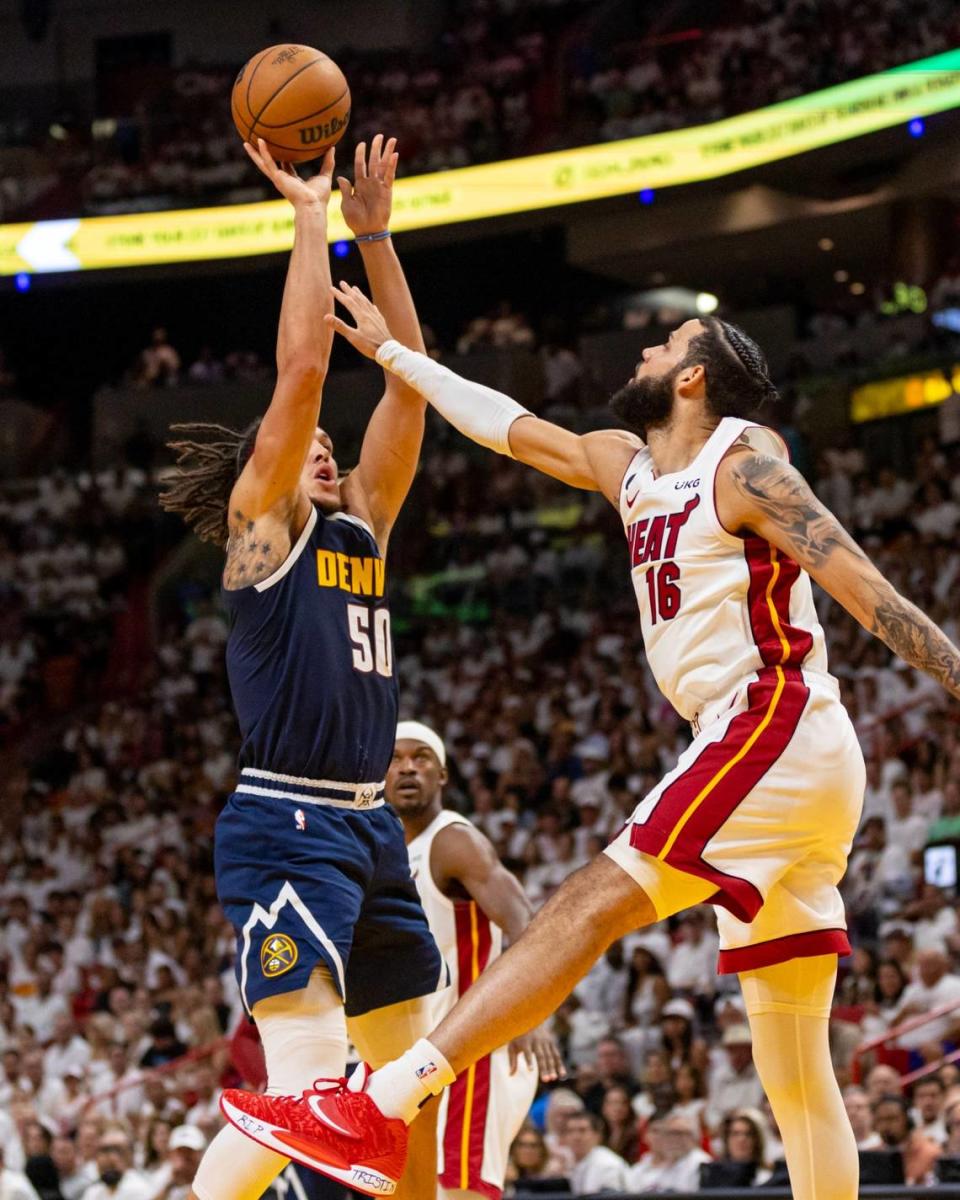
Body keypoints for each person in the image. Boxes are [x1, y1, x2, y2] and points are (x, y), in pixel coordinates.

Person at [226, 295, 960, 1200]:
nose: (647, 345)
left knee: (587, 903)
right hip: (775, 753)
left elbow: (866, 588)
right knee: (796, 1073)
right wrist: (394, 354)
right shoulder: (631, 468)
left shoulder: (747, 465)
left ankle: (380, 1101)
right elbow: (507, 426)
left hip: (773, 721)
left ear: (691, 377)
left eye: (668, 343)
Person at [161, 135, 443, 1200]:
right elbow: (306, 366)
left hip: (368, 827)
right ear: (266, 470)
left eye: (332, 441)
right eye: (306, 442)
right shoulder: (263, 529)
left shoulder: (363, 522)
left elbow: (409, 396)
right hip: (286, 824)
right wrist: (314, 211)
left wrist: (379, 239)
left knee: (399, 1096)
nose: (324, 444)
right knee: (312, 1099)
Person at [386, 721, 563, 1200]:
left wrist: (532, 1011)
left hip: (474, 1050)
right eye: (395, 758)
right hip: (423, 1057)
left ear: (441, 774)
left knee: (458, 1193)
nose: (407, 767)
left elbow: (525, 922)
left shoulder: (452, 840)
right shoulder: (388, 856)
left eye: (421, 757)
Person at [871, 1094, 940, 1184]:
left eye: (892, 1119)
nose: (886, 1125)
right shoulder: (872, 1155)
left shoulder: (930, 1153)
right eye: (881, 1120)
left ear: (908, 1120)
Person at [563, 1112, 628, 1195]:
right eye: (570, 1131)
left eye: (582, 1130)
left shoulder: (607, 1164)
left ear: (597, 1135)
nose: (576, 1136)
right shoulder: (569, 1162)